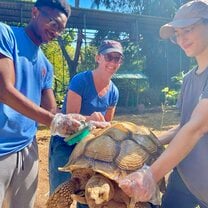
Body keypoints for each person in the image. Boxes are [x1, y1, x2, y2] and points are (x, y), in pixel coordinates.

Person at [118, 1, 208, 208]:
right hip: (182, 176)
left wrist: (150, 175)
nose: (181, 38)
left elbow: (198, 127)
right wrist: (147, 141)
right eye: (177, 33)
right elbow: (185, 125)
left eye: (188, 30)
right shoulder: (188, 79)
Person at [0, 0, 87, 208]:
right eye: (53, 23)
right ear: (35, 12)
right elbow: (4, 90)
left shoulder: (45, 65)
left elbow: (51, 110)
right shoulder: (6, 35)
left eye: (61, 29)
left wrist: (78, 120)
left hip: (28, 148)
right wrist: (53, 120)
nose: (56, 32)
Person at [49, 40, 123, 199]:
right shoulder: (80, 80)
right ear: (98, 58)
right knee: (60, 194)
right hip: (66, 143)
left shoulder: (114, 92)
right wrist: (90, 119)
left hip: (90, 148)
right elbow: (68, 120)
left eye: (117, 59)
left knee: (88, 196)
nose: (113, 62)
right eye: (109, 57)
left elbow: (105, 127)